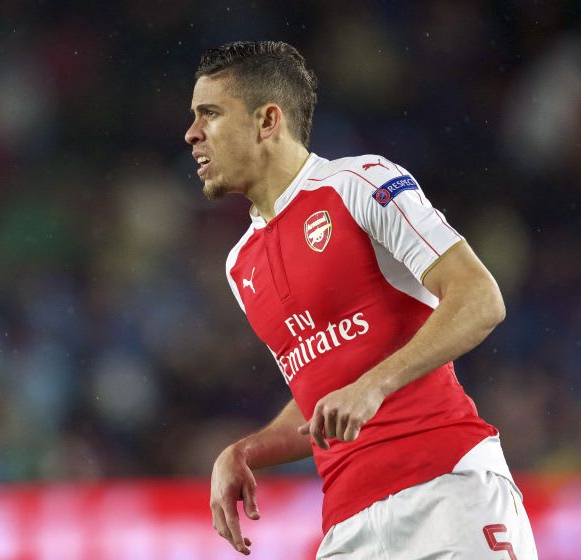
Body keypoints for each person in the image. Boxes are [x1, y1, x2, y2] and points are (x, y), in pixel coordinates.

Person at [184, 41, 538, 558]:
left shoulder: (359, 183)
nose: (191, 133)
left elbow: (480, 297)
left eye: (209, 114)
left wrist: (372, 385)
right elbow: (321, 398)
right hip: (348, 527)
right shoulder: (240, 266)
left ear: (267, 121)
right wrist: (245, 451)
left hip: (448, 491)